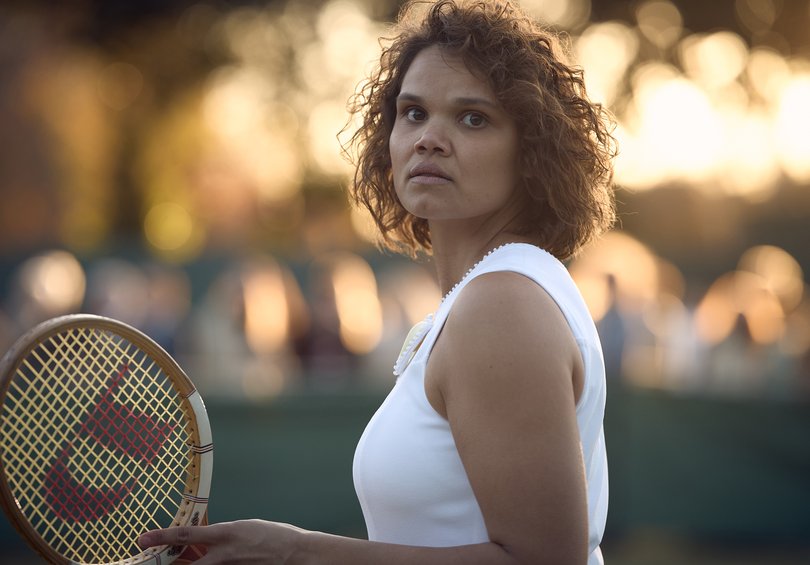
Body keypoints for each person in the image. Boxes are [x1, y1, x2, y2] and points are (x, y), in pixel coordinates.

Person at [139, 0, 617, 563]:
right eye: (413, 112)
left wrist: (296, 553)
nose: (430, 138)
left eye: (472, 118)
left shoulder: (502, 302)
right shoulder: (495, 292)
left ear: (532, 152)